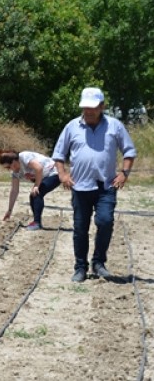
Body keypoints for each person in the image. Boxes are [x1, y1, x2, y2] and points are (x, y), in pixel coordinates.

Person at [52, 87, 136, 282]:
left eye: (92, 107)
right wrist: (63, 174)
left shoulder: (114, 126)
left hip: (106, 186)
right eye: (85, 107)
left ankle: (99, 262)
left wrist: (124, 173)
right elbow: (58, 154)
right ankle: (80, 267)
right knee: (80, 228)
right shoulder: (72, 127)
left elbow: (129, 151)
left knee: (105, 222)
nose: (88, 111)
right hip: (80, 187)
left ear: (102, 106)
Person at [0, 149, 61, 231]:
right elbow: (14, 191)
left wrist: (36, 185)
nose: (9, 169)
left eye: (8, 166)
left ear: (14, 161)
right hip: (44, 176)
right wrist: (9, 210)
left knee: (36, 193)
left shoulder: (24, 156)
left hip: (54, 172)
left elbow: (39, 168)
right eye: (7, 168)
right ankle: (36, 221)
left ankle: (37, 223)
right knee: (33, 196)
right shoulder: (15, 173)